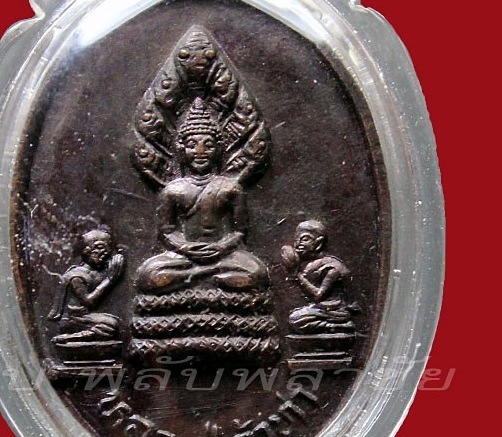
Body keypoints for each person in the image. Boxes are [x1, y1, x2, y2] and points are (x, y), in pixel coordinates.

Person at [135, 98, 268, 294]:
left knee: (257, 273)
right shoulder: (172, 190)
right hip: (184, 257)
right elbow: (167, 232)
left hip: (223, 255)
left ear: (219, 149)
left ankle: (196, 277)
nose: (200, 152)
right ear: (181, 150)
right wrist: (185, 248)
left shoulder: (231, 188)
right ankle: (208, 277)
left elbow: (240, 231)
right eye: (192, 145)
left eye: (208, 145)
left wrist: (222, 247)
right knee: (147, 275)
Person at [49, 227, 123, 340]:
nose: (106, 253)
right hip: (73, 319)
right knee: (111, 326)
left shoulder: (95, 271)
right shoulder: (76, 276)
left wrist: (116, 265)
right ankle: (71, 337)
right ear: (86, 251)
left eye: (108, 249)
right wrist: (109, 280)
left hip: (85, 317)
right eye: (100, 248)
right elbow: (88, 301)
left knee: (114, 323)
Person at [281, 220, 352, 333]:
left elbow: (318, 296)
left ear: (319, 243)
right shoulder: (310, 265)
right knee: (294, 317)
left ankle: (340, 326)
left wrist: (297, 274)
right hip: (318, 309)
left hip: (334, 310)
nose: (297, 244)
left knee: (295, 320)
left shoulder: (332, 267)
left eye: (304, 239)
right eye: (296, 240)